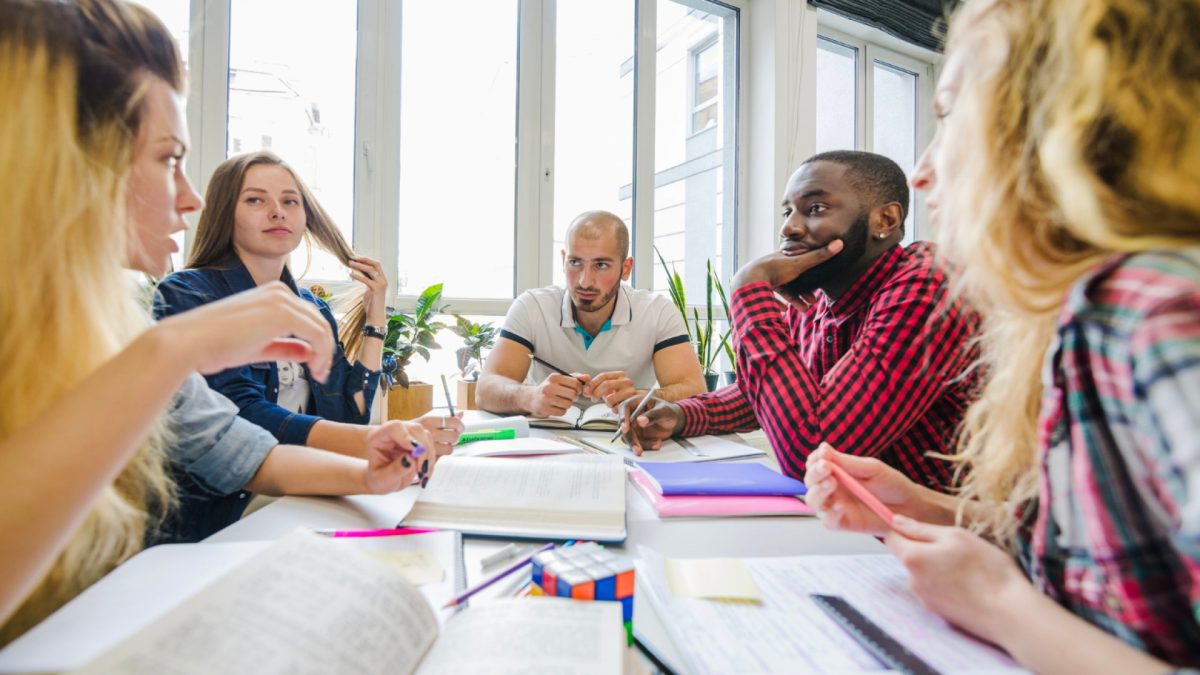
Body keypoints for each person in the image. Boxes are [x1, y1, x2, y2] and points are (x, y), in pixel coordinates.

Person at [0, 0, 456, 644]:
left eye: (291, 202)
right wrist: (169, 351)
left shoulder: (122, 318)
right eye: (167, 160)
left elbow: (240, 446)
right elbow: (256, 428)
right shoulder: (181, 304)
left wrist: (368, 470)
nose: (188, 197)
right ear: (70, 163)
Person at [805, 0, 1200, 670]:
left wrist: (996, 603)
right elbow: (1091, 563)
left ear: (1056, 127)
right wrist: (928, 507)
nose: (925, 169)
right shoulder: (1067, 321)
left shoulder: (1154, 310)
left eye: (951, 111)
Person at [621, 151, 980, 488]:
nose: (789, 228)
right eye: (787, 212)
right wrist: (680, 415)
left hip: (958, 539)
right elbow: (768, 397)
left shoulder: (927, 284)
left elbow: (813, 456)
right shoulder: (817, 302)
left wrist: (749, 288)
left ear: (885, 220)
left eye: (816, 208)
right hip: (867, 526)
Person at [156, 151, 387, 446]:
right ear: (224, 214)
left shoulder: (313, 309)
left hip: (307, 484)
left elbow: (350, 416)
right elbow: (241, 414)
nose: (278, 211)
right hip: (240, 490)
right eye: (255, 200)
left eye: (290, 201)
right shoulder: (186, 294)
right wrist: (373, 440)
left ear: (305, 218)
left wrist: (375, 321)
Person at [477, 210, 706, 417]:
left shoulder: (657, 311)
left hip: (628, 440)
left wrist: (642, 396)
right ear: (563, 260)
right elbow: (485, 389)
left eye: (601, 265)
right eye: (575, 262)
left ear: (626, 268)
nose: (585, 281)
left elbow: (695, 391)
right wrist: (530, 397)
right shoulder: (532, 306)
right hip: (546, 439)